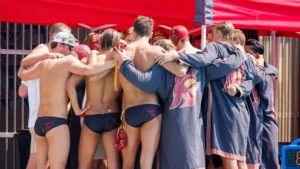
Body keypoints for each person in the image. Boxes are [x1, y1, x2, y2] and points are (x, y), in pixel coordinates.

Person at [153, 21, 261, 169]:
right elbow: (253, 80)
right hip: (241, 111)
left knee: (229, 158)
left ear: (218, 33)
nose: (209, 39)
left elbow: (203, 60)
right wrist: (239, 88)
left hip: (224, 110)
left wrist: (176, 55)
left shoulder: (216, 47)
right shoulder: (243, 56)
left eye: (212, 34)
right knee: (239, 158)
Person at [17, 32, 115, 169]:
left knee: (41, 166)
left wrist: (44, 56)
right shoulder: (68, 62)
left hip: (40, 122)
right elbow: (89, 70)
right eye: (71, 48)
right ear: (61, 46)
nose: (72, 51)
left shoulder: (43, 64)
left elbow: (22, 72)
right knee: (58, 166)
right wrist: (114, 62)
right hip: (56, 123)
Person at [118, 16, 186, 169]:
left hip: (129, 109)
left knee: (127, 163)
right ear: (151, 33)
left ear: (134, 31)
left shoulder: (122, 52)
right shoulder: (155, 51)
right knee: (146, 162)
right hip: (151, 108)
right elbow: (181, 71)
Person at [18, 22, 71, 169]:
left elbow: (22, 91)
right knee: (35, 161)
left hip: (39, 118)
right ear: (54, 37)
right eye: (66, 39)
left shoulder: (48, 60)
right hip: (42, 117)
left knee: (44, 162)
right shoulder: (42, 51)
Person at [67, 29, 122, 169]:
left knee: (84, 164)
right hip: (112, 115)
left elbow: (70, 84)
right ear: (116, 42)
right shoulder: (121, 60)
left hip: (92, 116)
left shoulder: (92, 57)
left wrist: (77, 109)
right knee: (113, 163)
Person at [245, 39, 279, 169]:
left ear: (257, 56)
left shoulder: (267, 72)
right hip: (253, 118)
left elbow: (264, 92)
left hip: (266, 117)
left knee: (269, 156)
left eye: (247, 53)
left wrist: (258, 70)